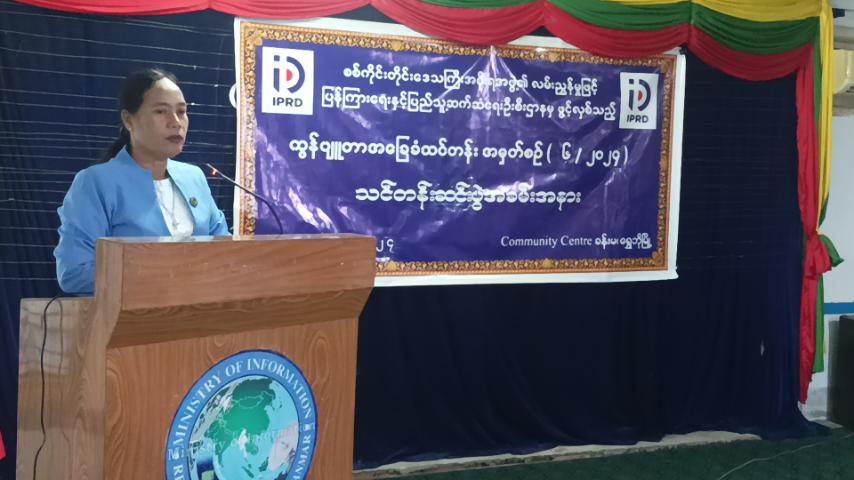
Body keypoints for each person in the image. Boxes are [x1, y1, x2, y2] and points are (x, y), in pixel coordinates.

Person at [54, 68, 230, 295]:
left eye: (181, 111)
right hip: (132, 314)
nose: (176, 122)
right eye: (161, 111)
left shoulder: (194, 177)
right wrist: (166, 276)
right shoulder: (95, 183)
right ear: (128, 120)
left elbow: (226, 253)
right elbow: (74, 272)